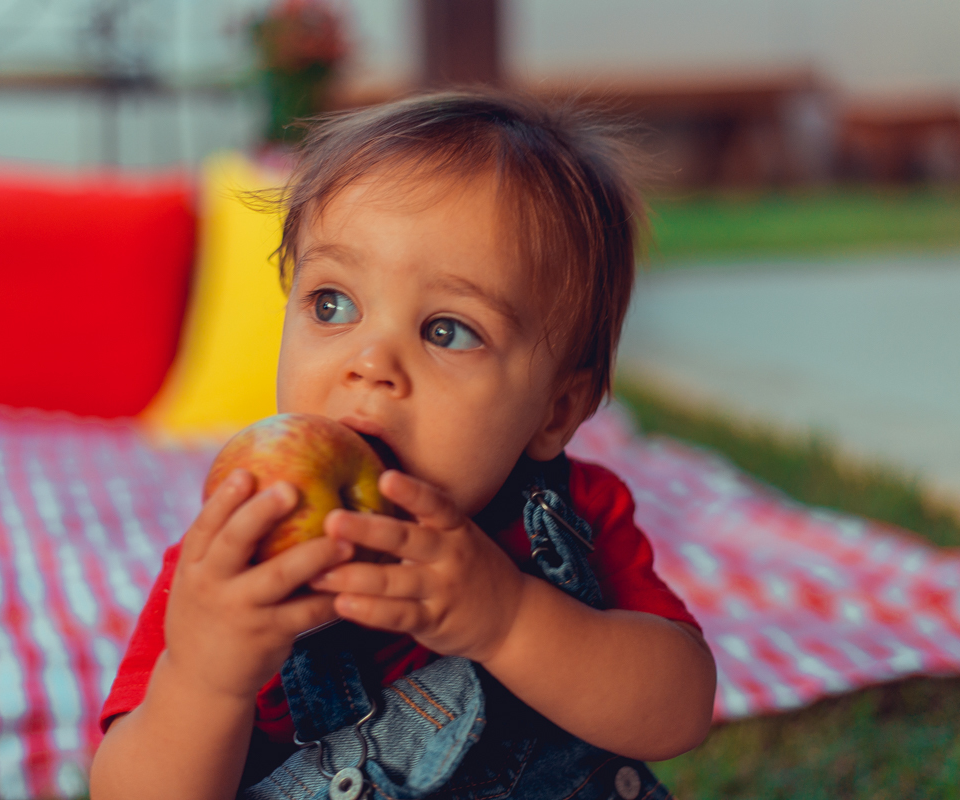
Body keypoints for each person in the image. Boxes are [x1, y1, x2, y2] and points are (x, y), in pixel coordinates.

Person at [90, 90, 717, 800]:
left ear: (555, 410)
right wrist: (204, 677)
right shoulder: (241, 563)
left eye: (447, 329)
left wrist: (508, 618)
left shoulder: (570, 513)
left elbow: (679, 710)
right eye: (333, 305)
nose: (370, 363)